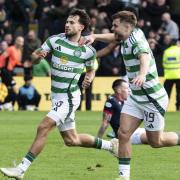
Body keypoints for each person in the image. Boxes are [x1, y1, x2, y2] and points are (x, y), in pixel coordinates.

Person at [0, 8, 118, 179]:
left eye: (72, 22)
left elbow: (92, 68)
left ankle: (21, 169)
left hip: (70, 97)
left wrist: (89, 78)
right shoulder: (55, 40)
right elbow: (32, 58)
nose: (67, 24)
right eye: (67, 21)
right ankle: (111, 146)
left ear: (81, 27)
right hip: (57, 97)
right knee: (72, 140)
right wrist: (38, 57)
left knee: (43, 127)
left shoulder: (87, 50)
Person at [81, 11, 180, 180]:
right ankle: (123, 176)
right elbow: (113, 40)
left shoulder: (136, 41)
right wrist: (94, 38)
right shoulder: (127, 34)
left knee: (156, 142)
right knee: (123, 133)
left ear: (126, 26)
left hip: (152, 99)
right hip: (135, 97)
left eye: (115, 25)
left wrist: (142, 74)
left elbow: (144, 57)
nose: (113, 28)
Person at [97, 79, 147, 145]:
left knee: (156, 133)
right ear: (118, 90)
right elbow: (105, 123)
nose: (129, 90)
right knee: (153, 138)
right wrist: (97, 139)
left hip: (135, 130)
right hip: (127, 135)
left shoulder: (125, 100)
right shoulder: (111, 102)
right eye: (126, 88)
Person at [163, 40, 180, 111]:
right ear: (176, 43)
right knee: (179, 93)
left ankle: (164, 108)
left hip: (168, 76)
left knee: (166, 93)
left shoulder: (166, 51)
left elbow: (164, 63)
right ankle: (178, 108)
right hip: (179, 75)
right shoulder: (179, 50)